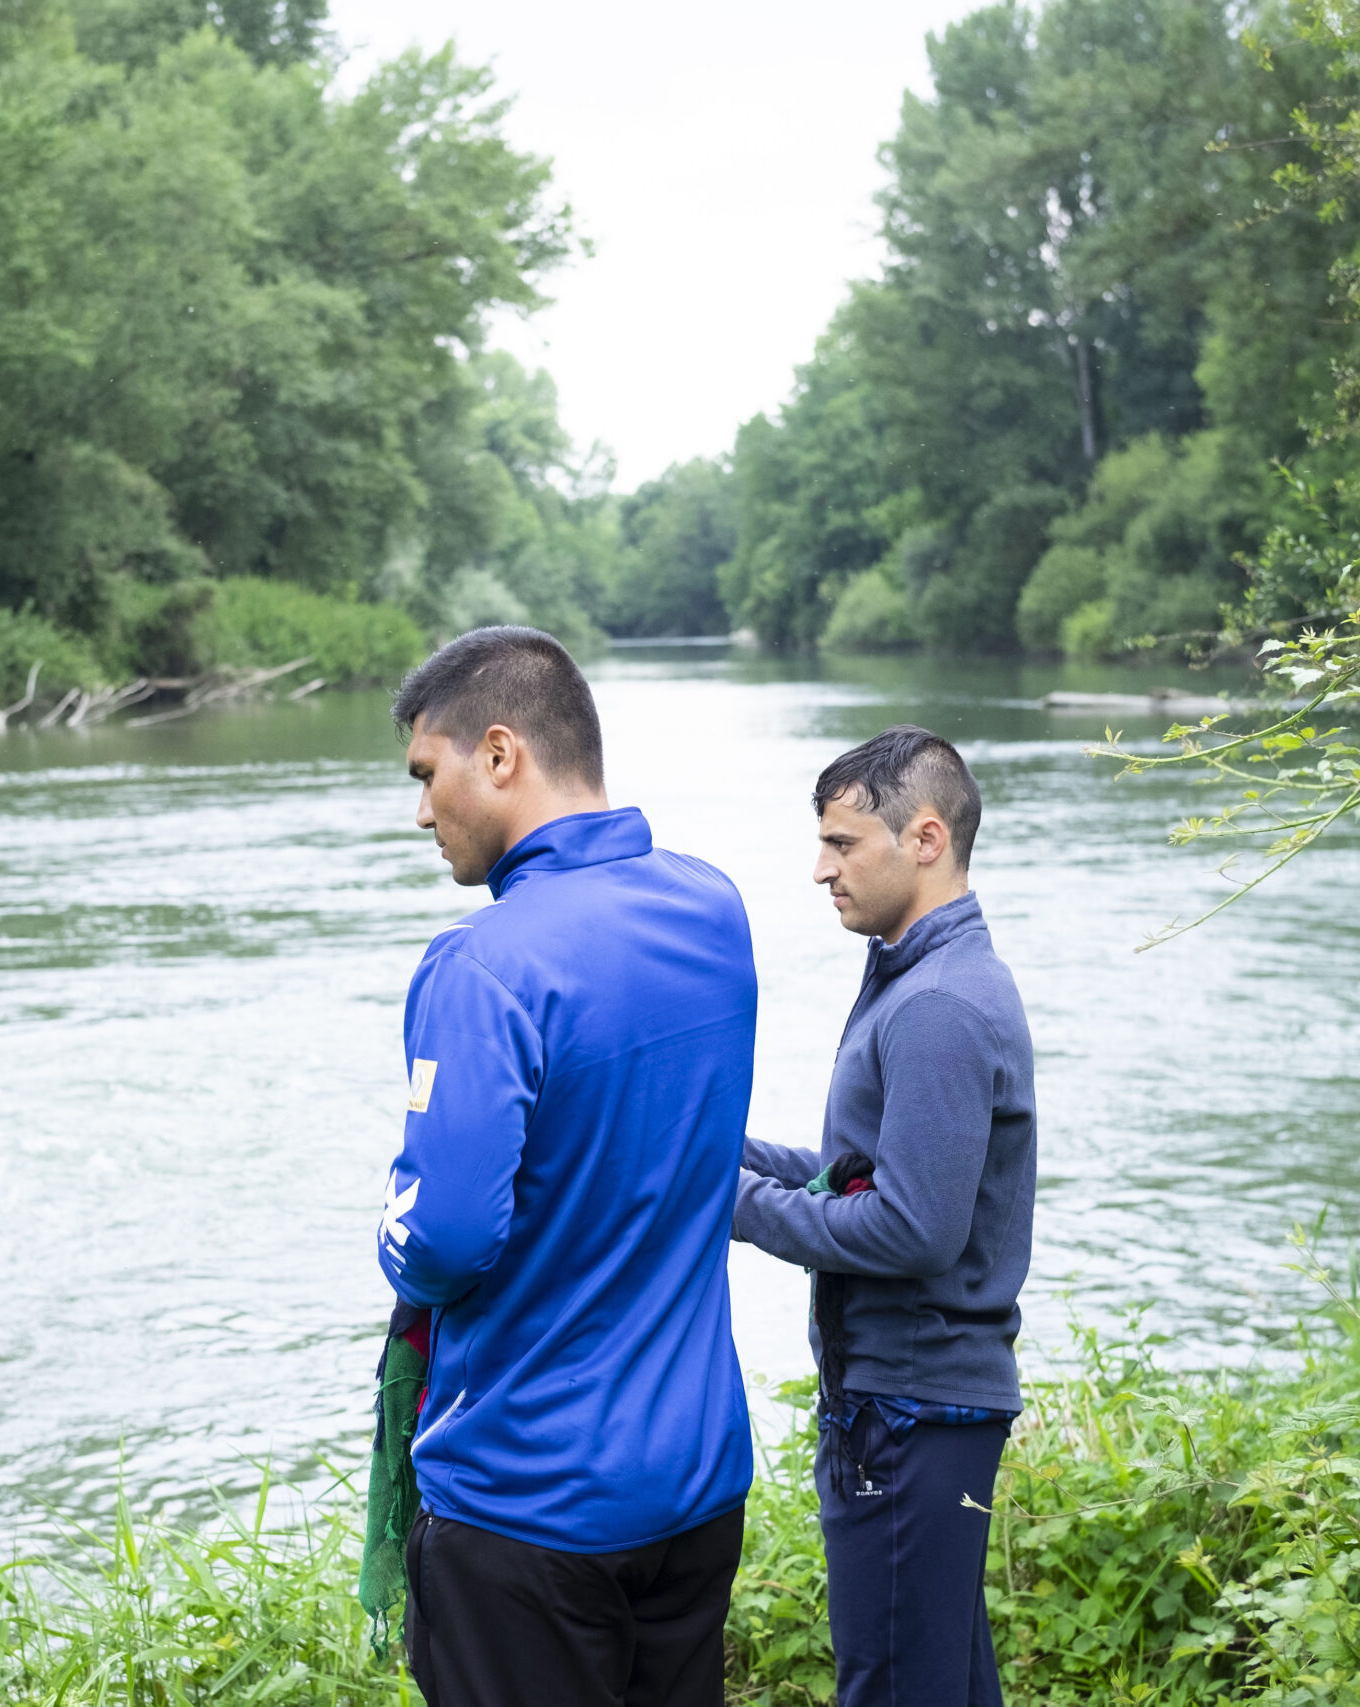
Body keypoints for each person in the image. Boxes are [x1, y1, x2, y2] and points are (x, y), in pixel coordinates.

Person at [376, 626, 759, 1707]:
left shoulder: (481, 963)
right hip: (692, 1481)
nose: (419, 813)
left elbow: (441, 1237)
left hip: (526, 1503)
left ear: (499, 755)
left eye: (426, 773)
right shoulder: (712, 907)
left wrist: (390, 1229)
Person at [733, 725, 1036, 1707]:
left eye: (842, 843)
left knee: (896, 1689)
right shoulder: (917, 979)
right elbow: (851, 1177)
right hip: (913, 1410)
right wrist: (712, 1151)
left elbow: (910, 1230)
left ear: (926, 839)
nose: (820, 870)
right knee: (941, 1684)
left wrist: (725, 1205)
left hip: (912, 1414)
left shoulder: (939, 1007)